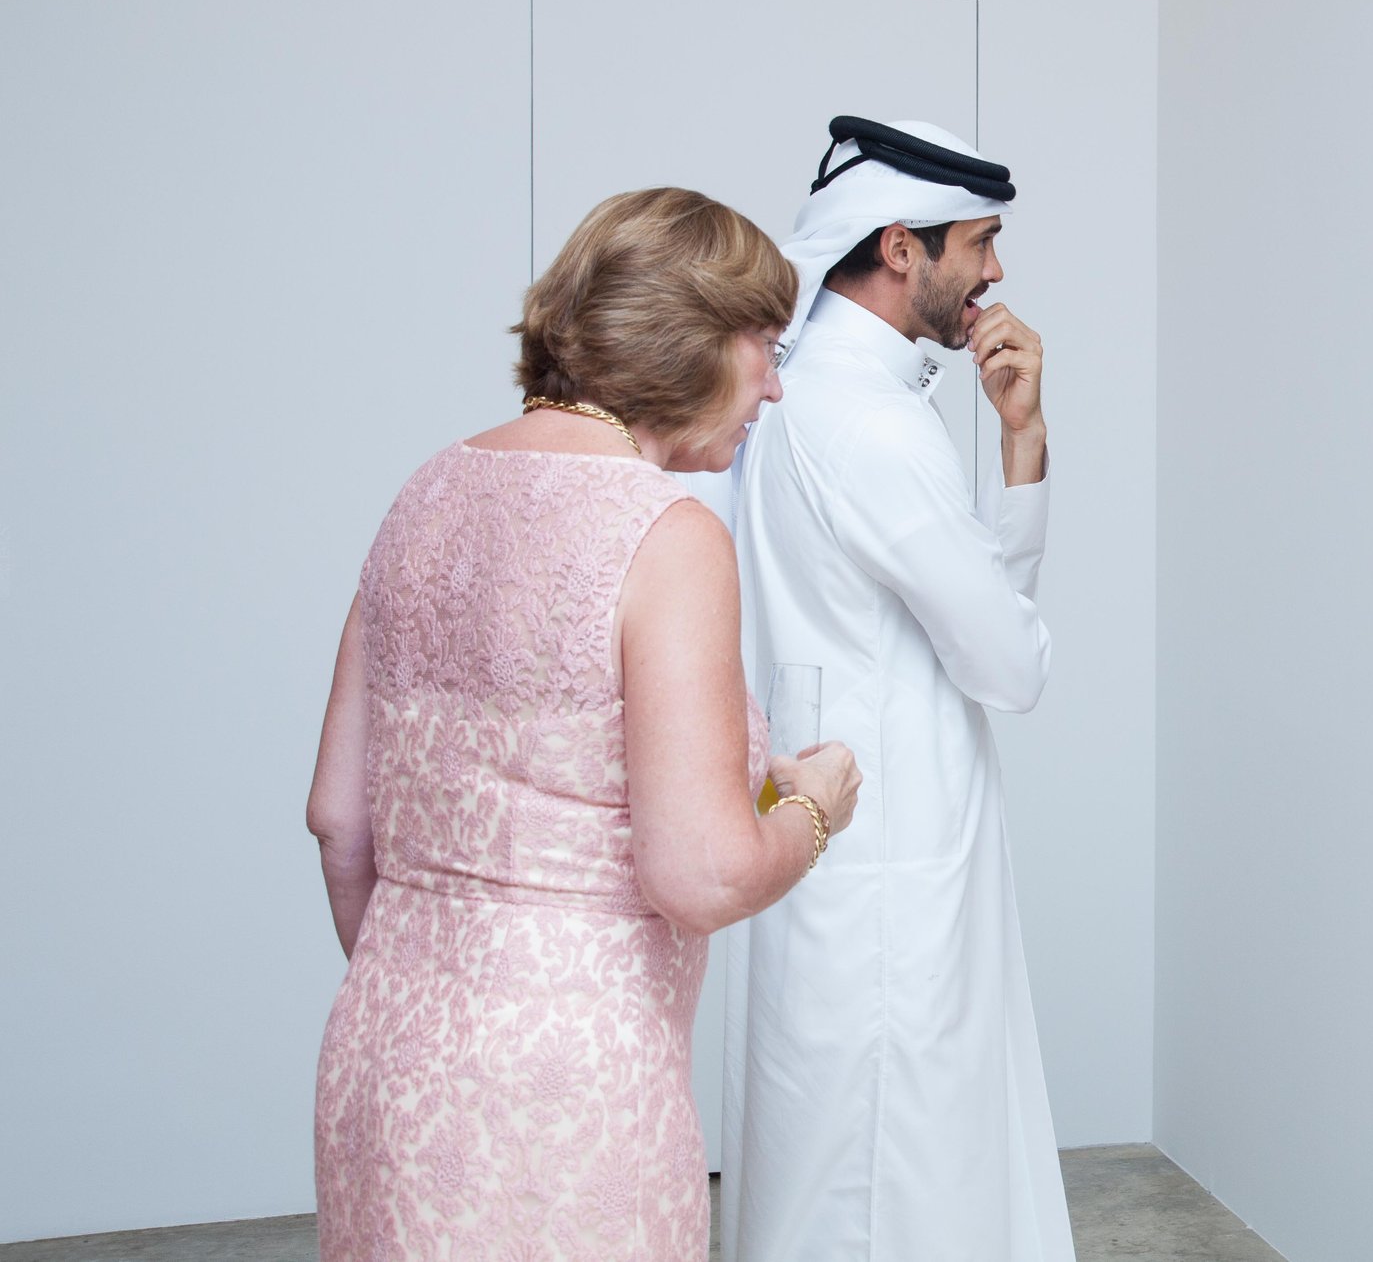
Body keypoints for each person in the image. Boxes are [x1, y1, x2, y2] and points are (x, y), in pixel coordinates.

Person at [306, 187, 865, 1262]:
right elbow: (699, 874)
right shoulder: (666, 533)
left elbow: (339, 817)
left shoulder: (426, 489)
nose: (777, 385)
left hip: (385, 1049)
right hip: (568, 1088)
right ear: (689, 341)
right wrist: (810, 806)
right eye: (766, 344)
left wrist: (437, 993)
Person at [722, 118, 1071, 1262]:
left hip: (842, 841)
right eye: (979, 240)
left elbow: (967, 617)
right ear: (901, 246)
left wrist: (1015, 441)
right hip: (889, 860)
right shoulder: (872, 421)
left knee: (835, 1164)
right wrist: (1025, 454)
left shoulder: (801, 389)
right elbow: (1010, 664)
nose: (997, 269)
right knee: (898, 1176)